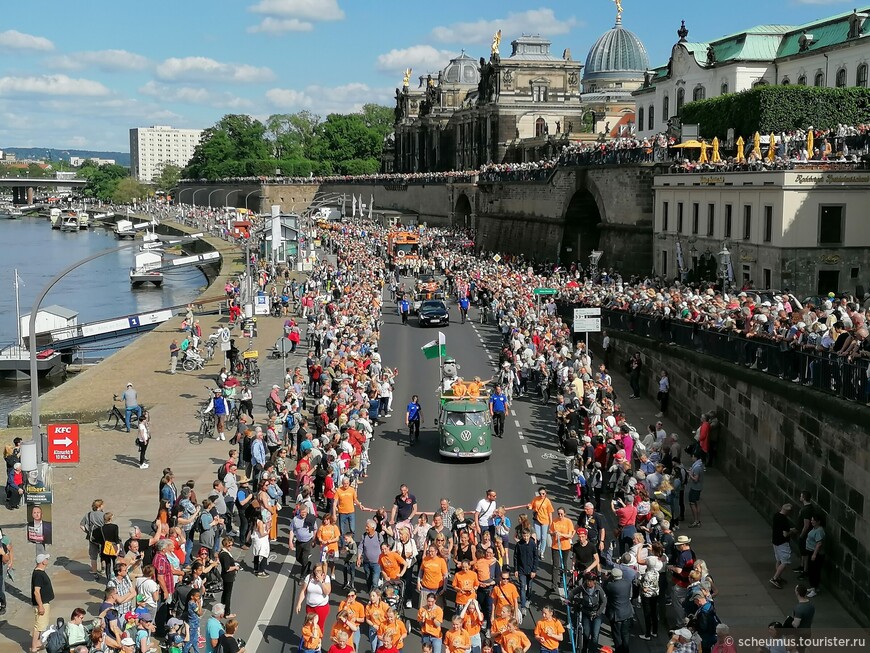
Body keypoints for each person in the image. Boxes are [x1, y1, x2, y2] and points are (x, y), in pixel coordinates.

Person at [295, 563, 332, 632]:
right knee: (309, 625)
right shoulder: (309, 577)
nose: (317, 572)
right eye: (316, 571)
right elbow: (303, 591)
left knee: (319, 627)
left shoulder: (326, 578)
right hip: (310, 607)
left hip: (321, 607)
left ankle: (318, 641)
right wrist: (299, 603)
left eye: (319, 571)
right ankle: (309, 641)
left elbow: (327, 592)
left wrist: (321, 581)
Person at [604, 568, 633, 653]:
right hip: (627, 613)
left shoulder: (611, 586)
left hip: (616, 615)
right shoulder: (627, 583)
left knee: (617, 636)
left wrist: (607, 579)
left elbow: (605, 590)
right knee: (625, 635)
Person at [31, 553, 54, 653]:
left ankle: (38, 643)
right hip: (42, 603)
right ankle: (34, 647)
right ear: (42, 562)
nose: (47, 560)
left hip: (44, 602)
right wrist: (40, 606)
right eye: (46, 559)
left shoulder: (39, 572)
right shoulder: (39, 574)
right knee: (39, 626)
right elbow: (36, 591)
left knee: (41, 625)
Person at [770, 504, 796, 588]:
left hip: (775, 541)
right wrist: (792, 531)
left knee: (778, 560)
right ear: (788, 511)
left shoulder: (776, 515)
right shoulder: (784, 519)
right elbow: (785, 534)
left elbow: (779, 528)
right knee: (785, 562)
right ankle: (774, 578)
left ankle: (778, 577)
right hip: (782, 543)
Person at [513, 529, 537, 613]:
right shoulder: (519, 545)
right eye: (524, 536)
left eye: (527, 536)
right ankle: (523, 606)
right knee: (522, 586)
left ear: (529, 535)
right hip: (521, 570)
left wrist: (534, 570)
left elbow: (535, 558)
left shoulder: (532, 544)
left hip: (530, 570)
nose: (526, 538)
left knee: (529, 587)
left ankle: (528, 599)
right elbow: (515, 557)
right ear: (522, 536)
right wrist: (516, 569)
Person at [687, 449, 704, 528]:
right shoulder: (700, 465)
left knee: (692, 503)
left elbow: (695, 479)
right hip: (698, 487)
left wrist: (690, 474)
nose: (691, 458)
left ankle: (696, 521)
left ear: (695, 457)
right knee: (697, 503)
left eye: (692, 457)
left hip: (695, 488)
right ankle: (698, 520)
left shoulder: (697, 467)